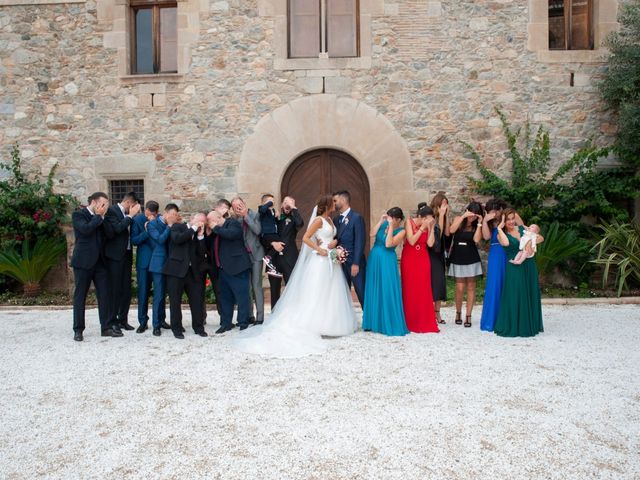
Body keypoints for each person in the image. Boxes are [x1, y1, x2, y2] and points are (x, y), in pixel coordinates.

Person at [234, 195, 357, 358]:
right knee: (316, 292)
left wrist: (333, 244)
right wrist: (319, 249)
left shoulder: (330, 220)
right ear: (327, 204)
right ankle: (313, 323)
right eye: (332, 202)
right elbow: (306, 237)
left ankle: (332, 323)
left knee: (331, 292)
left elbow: (326, 236)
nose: (335, 204)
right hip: (318, 260)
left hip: (330, 259)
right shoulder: (318, 220)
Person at [71, 192, 115, 341]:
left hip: (100, 263)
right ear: (95, 202)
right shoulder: (79, 215)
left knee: (104, 295)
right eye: (103, 204)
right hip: (83, 262)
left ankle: (106, 327)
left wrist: (103, 218)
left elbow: (110, 234)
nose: (105, 208)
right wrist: (97, 216)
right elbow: (86, 230)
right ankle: (78, 329)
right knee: (80, 296)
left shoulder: (102, 217)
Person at [494, 209, 545, 337]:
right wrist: (499, 228)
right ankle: (514, 326)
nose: (511, 221)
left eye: (512, 218)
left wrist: (531, 242)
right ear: (503, 222)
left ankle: (529, 325)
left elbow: (541, 237)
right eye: (507, 220)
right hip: (514, 266)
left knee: (529, 291)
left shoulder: (522, 228)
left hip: (529, 265)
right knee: (515, 294)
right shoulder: (500, 234)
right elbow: (506, 243)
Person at [362, 207, 408, 336]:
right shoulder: (383, 225)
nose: (389, 220)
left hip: (387, 260)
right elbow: (371, 234)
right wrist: (380, 221)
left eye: (391, 218)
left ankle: (388, 322)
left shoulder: (401, 231)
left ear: (398, 219)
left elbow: (389, 244)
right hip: (375, 258)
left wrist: (391, 227)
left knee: (386, 288)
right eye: (388, 217)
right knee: (374, 287)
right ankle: (372, 322)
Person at [163, 212, 209, 339]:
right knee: (175, 301)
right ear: (192, 219)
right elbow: (178, 239)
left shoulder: (198, 233)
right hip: (175, 271)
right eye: (199, 221)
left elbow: (201, 254)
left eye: (203, 223)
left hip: (192, 272)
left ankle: (199, 327)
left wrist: (200, 237)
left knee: (197, 301)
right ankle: (177, 329)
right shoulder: (178, 227)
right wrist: (193, 229)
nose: (201, 224)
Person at [209, 205, 253, 333]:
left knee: (242, 297)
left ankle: (243, 322)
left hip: (237, 267)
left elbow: (232, 235)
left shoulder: (232, 223)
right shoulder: (216, 230)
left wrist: (216, 228)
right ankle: (226, 323)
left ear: (217, 218)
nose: (209, 223)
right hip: (222, 269)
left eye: (210, 220)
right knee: (225, 298)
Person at [103, 191, 141, 333]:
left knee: (126, 289)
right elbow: (117, 229)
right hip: (114, 257)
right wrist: (130, 216)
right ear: (129, 204)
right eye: (135, 207)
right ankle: (113, 321)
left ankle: (123, 319)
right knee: (115, 289)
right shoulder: (112, 211)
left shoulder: (128, 215)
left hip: (126, 255)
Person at [401, 205, 439, 333]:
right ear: (421, 217)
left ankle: (424, 320)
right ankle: (410, 321)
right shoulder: (409, 222)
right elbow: (411, 241)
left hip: (423, 258)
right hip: (409, 258)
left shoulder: (428, 225)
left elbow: (430, 243)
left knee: (423, 289)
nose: (429, 221)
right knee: (410, 288)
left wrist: (432, 227)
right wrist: (422, 228)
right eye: (427, 219)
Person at [448, 201, 484, 328]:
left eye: (475, 215)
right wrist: (463, 217)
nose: (472, 217)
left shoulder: (476, 225)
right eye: (471, 213)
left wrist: (479, 223)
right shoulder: (459, 219)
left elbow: (476, 240)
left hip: (471, 258)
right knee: (459, 288)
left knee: (471, 288)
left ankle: (468, 315)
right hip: (458, 257)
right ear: (467, 210)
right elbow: (451, 230)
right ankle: (458, 313)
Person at [146, 203, 177, 336]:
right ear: (166, 213)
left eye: (176, 215)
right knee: (158, 295)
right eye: (173, 214)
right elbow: (160, 240)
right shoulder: (152, 224)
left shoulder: (172, 225)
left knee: (165, 294)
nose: (174, 217)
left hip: (170, 264)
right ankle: (156, 325)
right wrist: (169, 226)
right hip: (158, 264)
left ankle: (163, 320)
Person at [231, 197, 264, 325]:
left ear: (244, 203)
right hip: (243, 257)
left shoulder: (255, 215)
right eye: (235, 207)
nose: (239, 208)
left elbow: (258, 230)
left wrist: (246, 216)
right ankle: (249, 315)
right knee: (247, 287)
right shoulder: (234, 220)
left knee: (256, 285)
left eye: (240, 205)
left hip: (256, 255)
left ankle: (260, 317)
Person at [268, 196, 304, 308]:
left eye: (290, 203)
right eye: (285, 202)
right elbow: (264, 234)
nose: (287, 205)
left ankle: (292, 312)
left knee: (291, 287)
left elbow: (300, 224)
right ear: (281, 204)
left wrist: (294, 208)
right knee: (274, 289)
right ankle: (274, 312)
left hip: (290, 258)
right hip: (274, 259)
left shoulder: (294, 219)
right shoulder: (274, 217)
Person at [333, 190, 366, 308]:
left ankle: (367, 320)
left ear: (343, 200)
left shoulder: (357, 218)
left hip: (354, 262)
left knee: (360, 290)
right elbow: (337, 238)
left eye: (335, 201)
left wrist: (356, 263)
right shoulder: (336, 220)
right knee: (342, 292)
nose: (333, 203)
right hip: (340, 263)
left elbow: (360, 241)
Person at [479, 198, 508, 332]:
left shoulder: (509, 217)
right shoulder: (490, 222)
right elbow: (485, 237)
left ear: (500, 209)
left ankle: (508, 318)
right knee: (494, 284)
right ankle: (492, 320)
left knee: (508, 284)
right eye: (491, 211)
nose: (494, 214)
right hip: (496, 254)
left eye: (495, 211)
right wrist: (485, 220)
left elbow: (521, 230)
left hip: (509, 252)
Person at [131, 200, 158, 333]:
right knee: (143, 293)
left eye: (154, 213)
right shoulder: (137, 220)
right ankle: (142, 321)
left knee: (160, 292)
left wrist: (153, 225)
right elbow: (134, 240)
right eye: (149, 212)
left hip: (158, 261)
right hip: (144, 262)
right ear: (145, 210)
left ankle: (160, 320)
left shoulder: (159, 219)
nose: (151, 215)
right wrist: (147, 231)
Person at [428, 193, 450, 324]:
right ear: (437, 204)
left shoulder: (443, 217)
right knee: (432, 283)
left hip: (440, 254)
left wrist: (446, 216)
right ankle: (430, 313)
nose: (445, 206)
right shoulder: (430, 217)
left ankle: (437, 313)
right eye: (443, 204)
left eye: (446, 204)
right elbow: (438, 233)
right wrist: (441, 215)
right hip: (431, 254)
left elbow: (446, 233)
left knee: (439, 284)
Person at [258, 194, 283, 278]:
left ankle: (272, 268)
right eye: (270, 200)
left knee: (278, 247)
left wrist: (277, 217)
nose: (272, 202)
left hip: (273, 233)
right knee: (281, 244)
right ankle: (268, 258)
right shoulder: (262, 209)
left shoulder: (273, 211)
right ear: (263, 203)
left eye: (273, 200)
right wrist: (268, 203)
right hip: (267, 234)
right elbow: (262, 210)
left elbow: (274, 223)